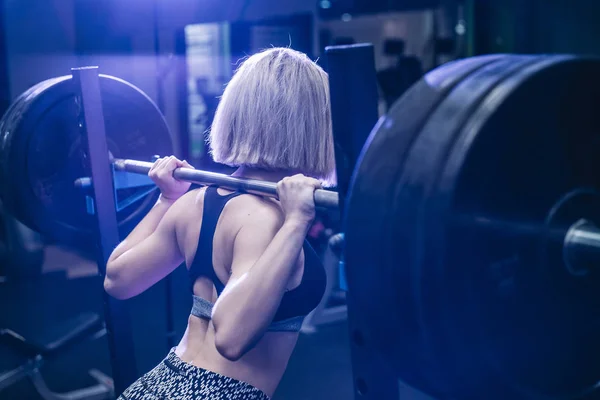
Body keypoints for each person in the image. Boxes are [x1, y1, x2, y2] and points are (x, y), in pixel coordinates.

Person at [104, 47, 336, 399]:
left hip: (156, 386)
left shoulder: (193, 202)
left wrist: (167, 199)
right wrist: (296, 222)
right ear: (315, 126)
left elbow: (118, 279)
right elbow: (230, 337)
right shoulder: (267, 220)